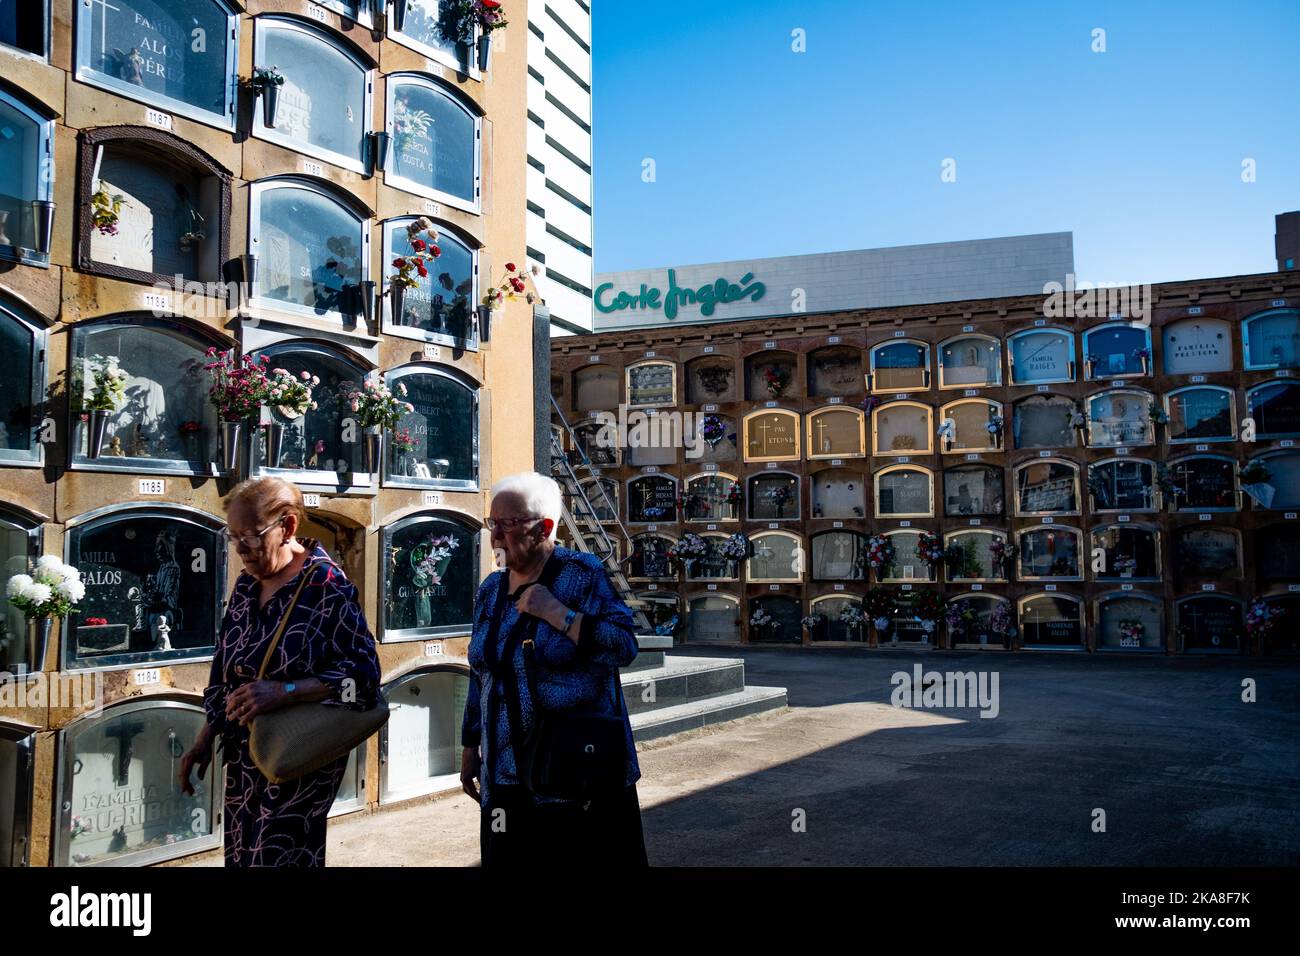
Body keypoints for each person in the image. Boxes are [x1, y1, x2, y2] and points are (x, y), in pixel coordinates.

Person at [179, 476, 380, 867]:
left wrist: (284, 690)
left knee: (280, 858)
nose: (240, 549)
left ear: (287, 526)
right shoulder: (246, 583)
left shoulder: (326, 586)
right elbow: (226, 667)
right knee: (241, 857)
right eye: (232, 537)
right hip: (244, 757)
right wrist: (206, 735)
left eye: (250, 536)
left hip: (296, 757)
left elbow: (364, 677)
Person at [461, 471, 647, 867]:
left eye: (506, 525)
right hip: (505, 775)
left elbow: (624, 646)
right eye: (491, 523)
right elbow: (482, 671)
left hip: (575, 776)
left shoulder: (581, 574)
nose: (494, 537)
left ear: (544, 527)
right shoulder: (491, 591)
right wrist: (469, 746)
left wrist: (558, 613)